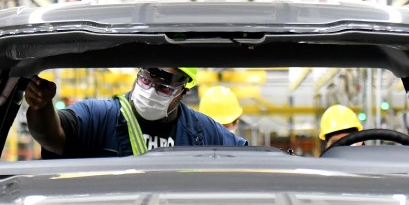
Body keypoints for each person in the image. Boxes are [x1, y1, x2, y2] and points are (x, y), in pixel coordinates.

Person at [25, 67, 247, 158]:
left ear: (184, 92)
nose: (150, 91)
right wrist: (41, 107)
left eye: (164, 88)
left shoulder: (201, 131)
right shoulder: (100, 116)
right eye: (145, 80)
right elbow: (52, 136)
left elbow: (247, 158)